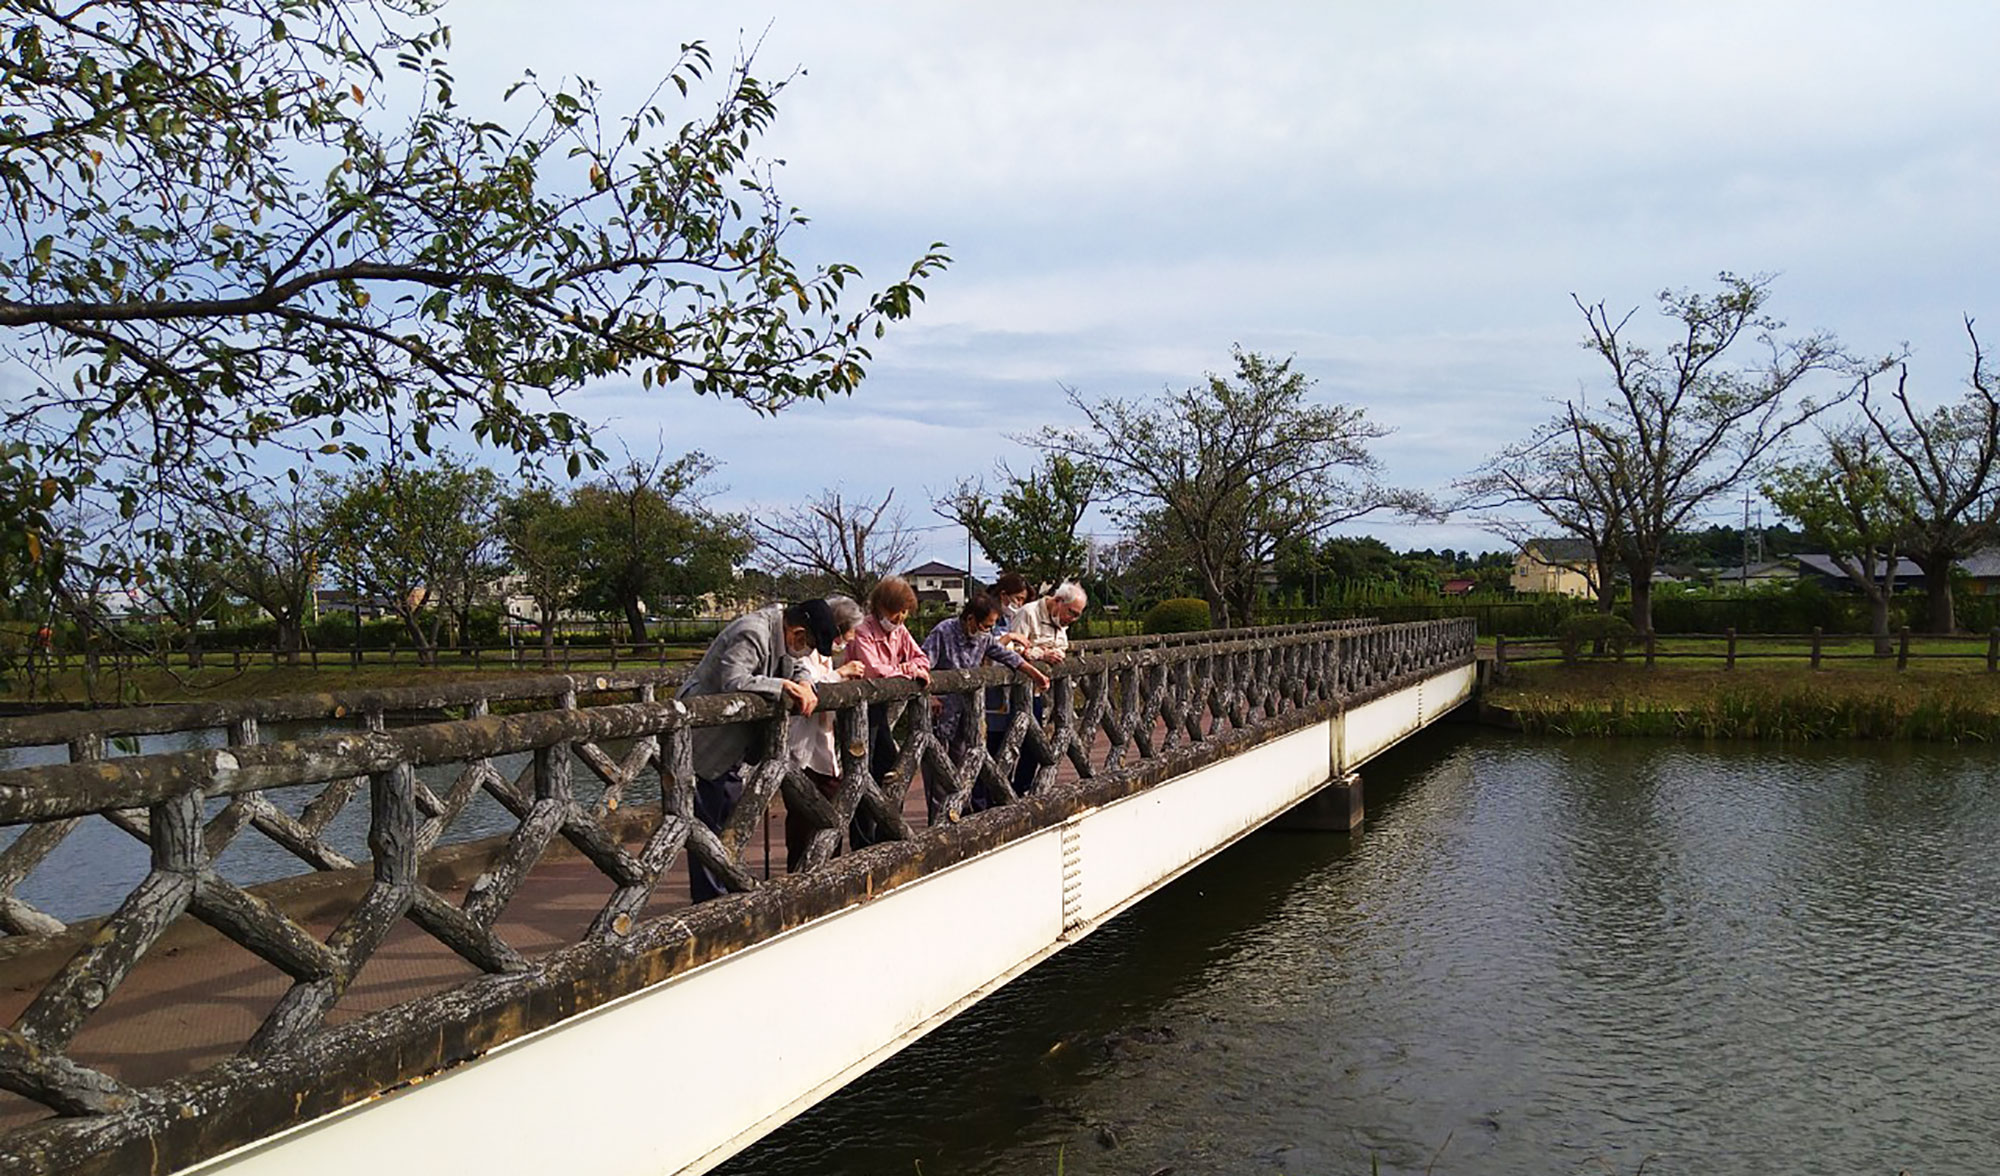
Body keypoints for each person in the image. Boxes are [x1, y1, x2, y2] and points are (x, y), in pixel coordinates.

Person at [676, 598, 839, 902]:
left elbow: (798, 667)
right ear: (798, 633)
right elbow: (733, 680)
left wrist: (804, 683)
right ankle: (710, 901)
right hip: (706, 740)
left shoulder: (784, 635)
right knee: (706, 827)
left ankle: (725, 891)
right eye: (808, 645)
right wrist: (782, 687)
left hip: (734, 747)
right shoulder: (752, 631)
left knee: (729, 819)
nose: (807, 653)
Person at [920, 592, 1050, 819]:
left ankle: (957, 816)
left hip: (967, 712)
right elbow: (922, 663)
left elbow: (1007, 657)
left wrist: (1035, 673)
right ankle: (937, 823)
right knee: (938, 772)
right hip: (941, 712)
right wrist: (929, 697)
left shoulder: (984, 638)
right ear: (971, 619)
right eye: (986, 625)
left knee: (963, 767)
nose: (987, 630)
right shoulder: (943, 631)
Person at [842, 576, 931, 847]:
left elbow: (922, 658)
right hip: (858, 707)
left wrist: (908, 668)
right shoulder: (863, 630)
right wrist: (908, 670)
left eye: (904, 612)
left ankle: (887, 832)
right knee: (861, 771)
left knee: (890, 766)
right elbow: (874, 670)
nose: (900, 618)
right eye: (896, 611)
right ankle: (862, 842)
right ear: (881, 607)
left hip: (880, 708)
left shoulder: (900, 631)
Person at [783, 596, 866, 872]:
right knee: (802, 819)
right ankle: (799, 875)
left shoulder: (826, 656)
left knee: (832, 813)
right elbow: (809, 684)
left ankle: (828, 868)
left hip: (826, 746)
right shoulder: (806, 651)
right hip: (802, 747)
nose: (848, 641)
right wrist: (841, 673)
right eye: (847, 634)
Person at [993, 580, 1087, 796]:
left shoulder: (1061, 621)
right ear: (1058, 601)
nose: (1072, 619)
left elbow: (1062, 646)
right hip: (1015, 692)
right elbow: (1010, 649)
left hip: (1040, 692)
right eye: (1071, 613)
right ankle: (1002, 793)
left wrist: (1052, 653)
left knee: (1034, 746)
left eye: (1077, 615)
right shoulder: (1028, 613)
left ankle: (1020, 790)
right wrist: (1041, 654)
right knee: (1010, 743)